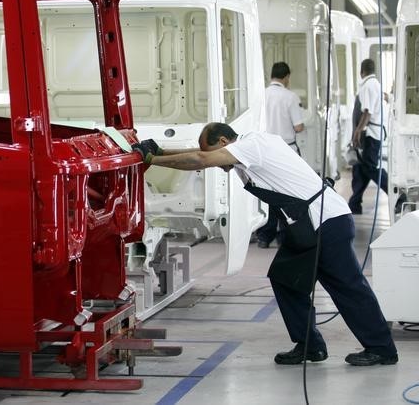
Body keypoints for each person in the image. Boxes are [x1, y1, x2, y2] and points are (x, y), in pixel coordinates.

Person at [132, 123, 398, 366]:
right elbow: (201, 153)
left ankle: (382, 348)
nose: (215, 163)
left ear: (225, 140)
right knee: (285, 279)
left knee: (348, 286)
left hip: (327, 221)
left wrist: (152, 159)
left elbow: (200, 158)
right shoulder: (245, 148)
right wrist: (159, 149)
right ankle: (310, 346)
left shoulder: (252, 145)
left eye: (215, 153)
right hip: (309, 224)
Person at [256, 61, 305, 249]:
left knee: (268, 194)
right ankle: (284, 235)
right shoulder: (290, 97)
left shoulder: (260, 96)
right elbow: (298, 126)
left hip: (265, 151)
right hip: (287, 152)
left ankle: (264, 236)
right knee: (287, 194)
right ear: (286, 77)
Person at [348, 58, 388, 215]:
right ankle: (354, 203)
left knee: (369, 167)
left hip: (369, 134)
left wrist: (358, 131)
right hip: (372, 132)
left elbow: (367, 111)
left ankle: (393, 191)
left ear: (361, 71)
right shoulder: (376, 84)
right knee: (360, 168)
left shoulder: (367, 86)